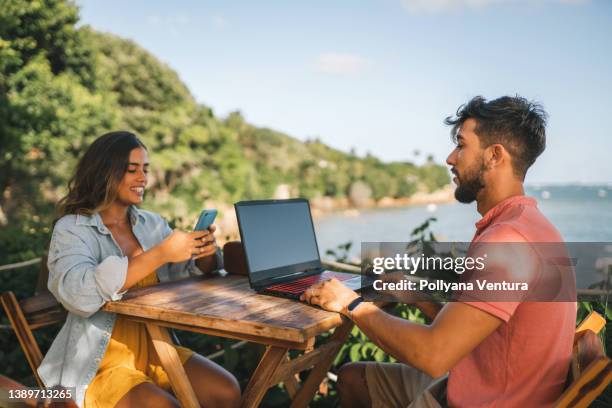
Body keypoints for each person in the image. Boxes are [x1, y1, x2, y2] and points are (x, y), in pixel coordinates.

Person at [301, 96, 577, 407]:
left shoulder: (508, 241)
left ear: (494, 155)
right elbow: (482, 329)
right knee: (354, 379)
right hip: (490, 383)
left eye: (461, 145)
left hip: (485, 400)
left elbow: (434, 355)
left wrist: (350, 303)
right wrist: (416, 295)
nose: (450, 158)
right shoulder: (527, 225)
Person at [38, 131, 241, 408]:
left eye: (145, 169)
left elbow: (191, 270)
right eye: (132, 169)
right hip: (100, 365)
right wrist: (160, 254)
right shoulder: (73, 228)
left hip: (157, 351)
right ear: (104, 173)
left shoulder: (151, 224)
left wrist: (203, 254)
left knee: (226, 391)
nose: (143, 178)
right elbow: (78, 294)